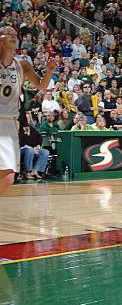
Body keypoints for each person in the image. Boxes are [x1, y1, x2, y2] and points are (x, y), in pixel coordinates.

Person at [0, 26, 55, 195]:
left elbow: (41, 85)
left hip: (9, 123)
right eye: (7, 33)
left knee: (8, 177)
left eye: (14, 34)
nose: (12, 36)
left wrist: (49, 72)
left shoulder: (22, 65)